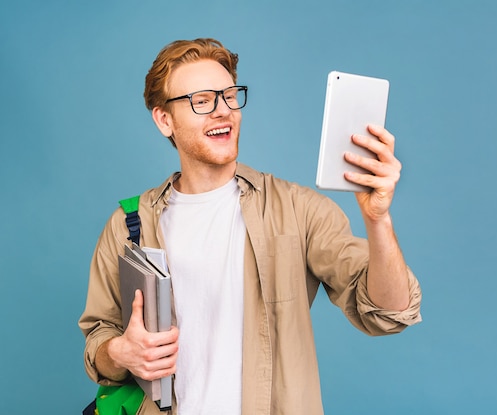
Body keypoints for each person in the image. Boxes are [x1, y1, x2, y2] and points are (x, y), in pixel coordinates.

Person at [79, 37, 422, 415]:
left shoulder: (298, 209)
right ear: (165, 120)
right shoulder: (130, 224)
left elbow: (389, 313)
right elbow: (100, 339)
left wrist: (378, 219)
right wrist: (121, 352)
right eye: (202, 100)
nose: (223, 111)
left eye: (229, 95)